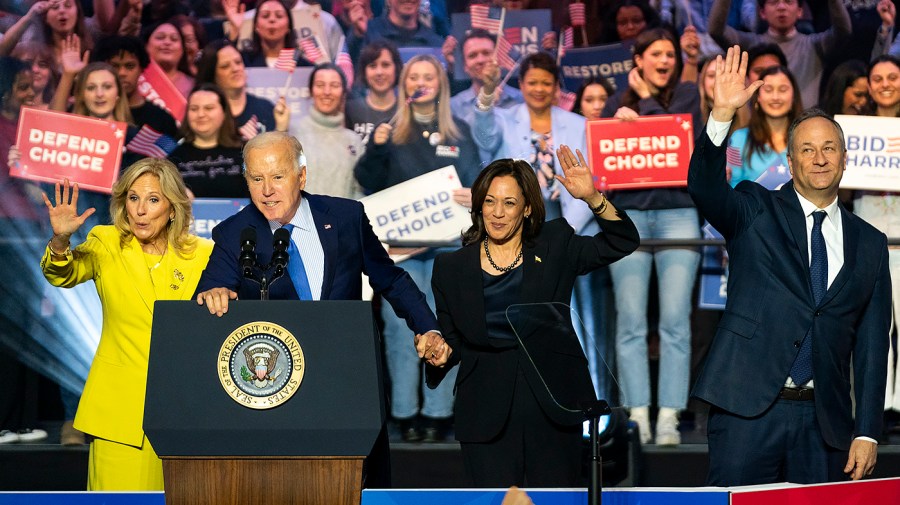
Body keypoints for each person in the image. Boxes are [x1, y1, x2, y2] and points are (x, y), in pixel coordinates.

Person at [193, 131, 445, 486]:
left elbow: (391, 279)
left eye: (278, 177)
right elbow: (206, 294)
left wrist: (427, 327)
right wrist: (213, 294)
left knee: (358, 483)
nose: (267, 190)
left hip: (347, 380)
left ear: (302, 175)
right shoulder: (235, 233)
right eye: (256, 178)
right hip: (277, 393)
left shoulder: (345, 217)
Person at [689, 45, 890, 485]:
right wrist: (721, 115)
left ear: (844, 158)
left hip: (826, 425)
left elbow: (874, 346)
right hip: (745, 409)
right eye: (808, 149)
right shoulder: (754, 208)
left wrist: (868, 431)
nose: (820, 158)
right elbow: (704, 188)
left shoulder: (872, 244)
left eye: (830, 148)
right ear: (790, 161)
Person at [429, 149, 640, 486]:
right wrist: (440, 351)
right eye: (489, 202)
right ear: (478, 206)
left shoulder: (555, 243)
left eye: (509, 203)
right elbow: (453, 340)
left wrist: (593, 197)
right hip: (484, 412)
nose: (497, 213)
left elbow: (623, 241)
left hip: (553, 406)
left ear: (527, 208)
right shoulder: (450, 268)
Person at [41, 159, 214, 490]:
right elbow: (62, 273)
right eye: (133, 199)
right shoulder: (107, 243)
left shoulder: (204, 253)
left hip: (184, 413)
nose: (140, 211)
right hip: (120, 416)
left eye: (152, 200)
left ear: (173, 208)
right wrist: (61, 241)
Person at [354, 53, 478, 442]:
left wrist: (476, 194)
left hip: (448, 251)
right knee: (399, 329)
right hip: (401, 252)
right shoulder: (389, 133)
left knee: (447, 326)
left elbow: (479, 181)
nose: (420, 82)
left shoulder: (459, 132)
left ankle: (440, 411)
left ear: (440, 84)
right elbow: (367, 180)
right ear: (404, 86)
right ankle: (405, 413)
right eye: (413, 77)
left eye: (428, 76)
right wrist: (375, 148)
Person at [600, 27, 703, 447]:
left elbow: (676, 140)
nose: (664, 61)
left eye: (669, 54)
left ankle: (669, 417)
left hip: (680, 215)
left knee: (676, 322)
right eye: (655, 54)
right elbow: (604, 162)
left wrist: (641, 104)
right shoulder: (612, 102)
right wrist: (625, 115)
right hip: (629, 220)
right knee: (630, 323)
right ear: (637, 59)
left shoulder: (690, 96)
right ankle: (638, 414)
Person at [854, 54, 900, 418]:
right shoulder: (855, 130)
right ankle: (878, 406)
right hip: (867, 228)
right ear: (869, 86)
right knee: (874, 323)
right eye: (878, 79)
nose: (885, 84)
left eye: (893, 77)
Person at [707, 0, 851, 109]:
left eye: (788, 1)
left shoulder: (816, 45)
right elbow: (716, 31)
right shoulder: (750, 44)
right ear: (762, 12)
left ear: (800, 11)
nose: (781, 7)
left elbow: (843, 30)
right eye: (774, 2)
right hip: (759, 129)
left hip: (805, 126)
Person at [446, 29, 524, 164]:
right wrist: (486, 101)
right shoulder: (453, 107)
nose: (480, 60)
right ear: (465, 66)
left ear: (498, 58)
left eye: (486, 53)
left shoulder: (521, 100)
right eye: (472, 55)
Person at [195, 39, 290, 141]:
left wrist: (281, 129)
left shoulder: (265, 108)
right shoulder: (204, 115)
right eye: (225, 66)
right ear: (212, 74)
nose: (235, 69)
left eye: (238, 62)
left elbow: (278, 153)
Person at [293, 63, 363, 199]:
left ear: (343, 92)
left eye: (334, 86)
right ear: (311, 90)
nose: (327, 92)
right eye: (320, 85)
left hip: (343, 219)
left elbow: (358, 191)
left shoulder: (353, 140)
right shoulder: (294, 133)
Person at [92, 35, 180, 139]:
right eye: (114, 66)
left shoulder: (162, 120)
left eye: (130, 66)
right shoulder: (89, 111)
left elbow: (171, 154)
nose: (122, 73)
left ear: (141, 69)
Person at [726, 66, 801, 187]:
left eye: (782, 89)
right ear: (758, 97)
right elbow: (732, 184)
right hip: (750, 205)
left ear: (793, 97)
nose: (775, 97)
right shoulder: (738, 138)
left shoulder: (806, 139)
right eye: (768, 90)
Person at [170, 84, 246, 198]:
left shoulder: (246, 152)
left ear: (224, 113)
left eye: (209, 108)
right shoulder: (173, 156)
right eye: (194, 109)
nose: (200, 114)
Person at [345, 40, 401, 144]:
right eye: (372, 66)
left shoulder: (406, 110)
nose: (379, 72)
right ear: (364, 71)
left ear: (396, 69)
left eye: (385, 65)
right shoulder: (350, 110)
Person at [142, 20, 195, 97]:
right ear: (146, 46)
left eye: (174, 39)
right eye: (160, 38)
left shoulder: (193, 85)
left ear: (182, 49)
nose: (167, 42)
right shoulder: (137, 80)